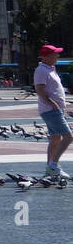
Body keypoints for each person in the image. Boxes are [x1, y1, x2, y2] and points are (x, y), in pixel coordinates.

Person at [34, 44, 71, 179]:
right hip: (51, 110)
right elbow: (39, 89)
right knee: (68, 137)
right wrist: (52, 103)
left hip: (54, 109)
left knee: (56, 138)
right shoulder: (41, 70)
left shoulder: (50, 69)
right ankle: (53, 166)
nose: (58, 56)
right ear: (47, 56)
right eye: (55, 54)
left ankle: (50, 166)